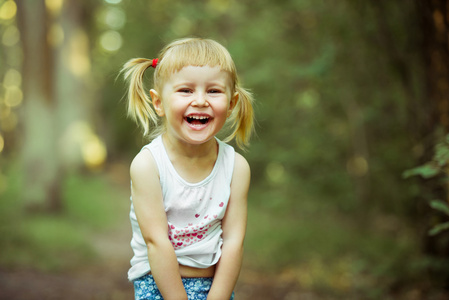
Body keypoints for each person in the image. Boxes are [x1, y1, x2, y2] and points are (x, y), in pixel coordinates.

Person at [122, 37, 255, 300]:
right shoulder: (148, 165)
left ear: (231, 103)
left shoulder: (236, 167)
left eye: (214, 91)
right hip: (158, 284)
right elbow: (156, 242)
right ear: (158, 103)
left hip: (216, 286)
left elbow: (233, 243)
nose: (201, 101)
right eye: (186, 90)